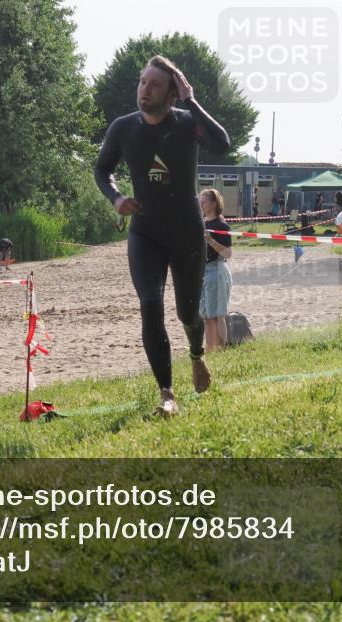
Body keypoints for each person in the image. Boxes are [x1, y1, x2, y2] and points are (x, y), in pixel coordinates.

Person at [94, 56, 231, 416]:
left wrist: (192, 100)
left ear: (172, 93)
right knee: (150, 305)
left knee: (188, 312)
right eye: (142, 82)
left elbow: (222, 143)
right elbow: (102, 169)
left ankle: (197, 355)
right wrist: (116, 198)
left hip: (186, 231)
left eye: (154, 85)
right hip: (145, 231)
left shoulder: (187, 123)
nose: (144, 90)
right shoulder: (123, 128)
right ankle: (167, 394)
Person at [199, 189, 233, 352]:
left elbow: (228, 253)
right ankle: (211, 349)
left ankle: (222, 350)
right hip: (202, 273)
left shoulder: (221, 225)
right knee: (206, 316)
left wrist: (210, 240)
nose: (201, 205)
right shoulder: (202, 222)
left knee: (217, 315)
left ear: (213, 203)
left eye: (203, 202)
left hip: (217, 270)